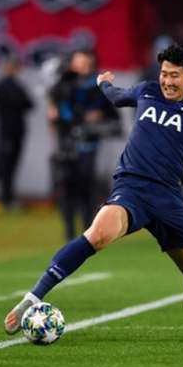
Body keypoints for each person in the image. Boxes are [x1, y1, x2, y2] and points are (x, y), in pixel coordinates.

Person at [4, 30, 183, 336]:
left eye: (174, 76)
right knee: (96, 235)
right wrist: (104, 84)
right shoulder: (147, 92)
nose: (167, 81)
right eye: (164, 74)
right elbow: (116, 97)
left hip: (168, 198)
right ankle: (31, 298)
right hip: (131, 189)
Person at [48, 50, 119, 240]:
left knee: (89, 188)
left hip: (90, 146)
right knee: (66, 188)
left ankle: (89, 230)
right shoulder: (62, 85)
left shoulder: (98, 87)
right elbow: (56, 113)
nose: (83, 67)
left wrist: (98, 120)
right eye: (79, 62)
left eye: (87, 63)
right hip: (67, 146)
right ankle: (69, 230)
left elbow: (114, 120)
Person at [0, 57, 33, 210]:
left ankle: (8, 197)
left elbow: (29, 103)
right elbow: (25, 103)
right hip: (8, 131)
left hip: (14, 131)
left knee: (11, 165)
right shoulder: (5, 86)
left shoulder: (14, 85)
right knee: (7, 165)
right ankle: (6, 198)